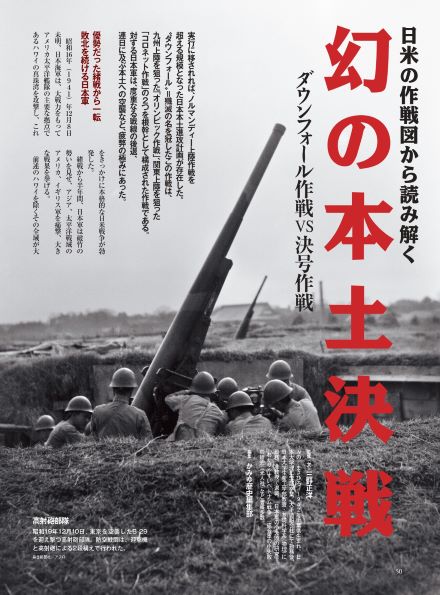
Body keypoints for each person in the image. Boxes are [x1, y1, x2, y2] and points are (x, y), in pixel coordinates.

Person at [90, 367, 152, 440]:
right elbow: (148, 443)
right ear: (131, 390)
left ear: (113, 388)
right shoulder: (139, 415)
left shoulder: (97, 412)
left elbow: (93, 439)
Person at [165, 371, 226, 441]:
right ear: (212, 392)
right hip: (204, 445)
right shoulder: (218, 412)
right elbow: (221, 434)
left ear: (194, 389)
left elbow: (168, 399)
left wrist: (187, 391)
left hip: (180, 442)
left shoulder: (185, 399)